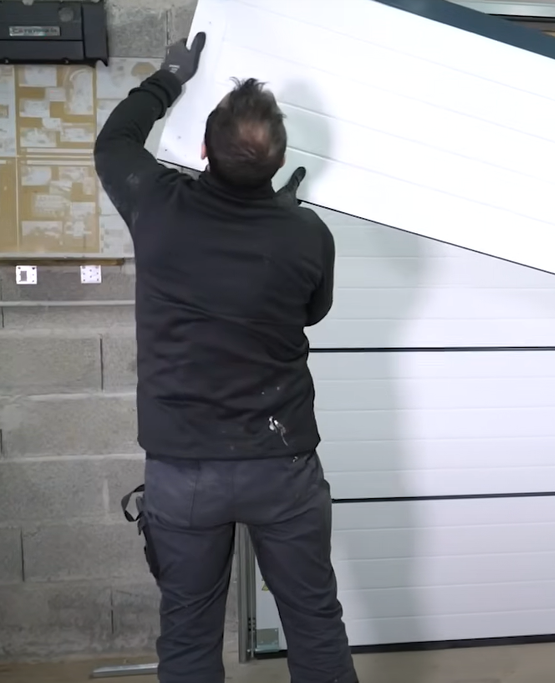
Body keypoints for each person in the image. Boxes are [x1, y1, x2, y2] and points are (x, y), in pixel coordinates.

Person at [93, 33, 357, 683]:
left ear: (204, 151)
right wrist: (282, 225)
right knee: (314, 622)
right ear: (280, 161)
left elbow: (113, 142)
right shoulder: (308, 235)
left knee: (188, 633)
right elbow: (312, 312)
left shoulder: (157, 204)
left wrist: (169, 77)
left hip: (184, 471)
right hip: (282, 462)